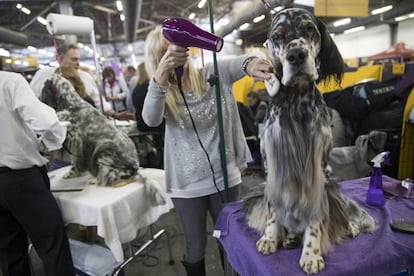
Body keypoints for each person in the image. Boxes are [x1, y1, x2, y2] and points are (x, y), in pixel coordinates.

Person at [142, 26, 273, 275]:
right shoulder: (161, 92)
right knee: (195, 247)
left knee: (230, 241)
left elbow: (238, 64)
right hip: (186, 185)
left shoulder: (212, 73)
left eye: (177, 48)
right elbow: (150, 119)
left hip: (226, 177)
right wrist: (160, 75)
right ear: (156, 58)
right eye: (165, 52)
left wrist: (253, 63)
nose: (173, 54)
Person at [0, 71, 75, 276]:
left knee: (10, 253)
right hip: (20, 179)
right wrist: (56, 139)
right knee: (53, 247)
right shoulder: (9, 81)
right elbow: (45, 122)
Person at [30, 44, 131, 120]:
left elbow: (99, 102)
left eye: (78, 59)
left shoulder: (85, 77)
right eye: (74, 59)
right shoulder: (43, 75)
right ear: (60, 58)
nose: (78, 63)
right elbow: (31, 101)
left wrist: (115, 115)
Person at [132, 62, 164, 168]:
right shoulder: (154, 88)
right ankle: (162, 155)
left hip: (141, 125)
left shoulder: (136, 89)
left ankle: (151, 156)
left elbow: (132, 105)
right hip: (157, 124)